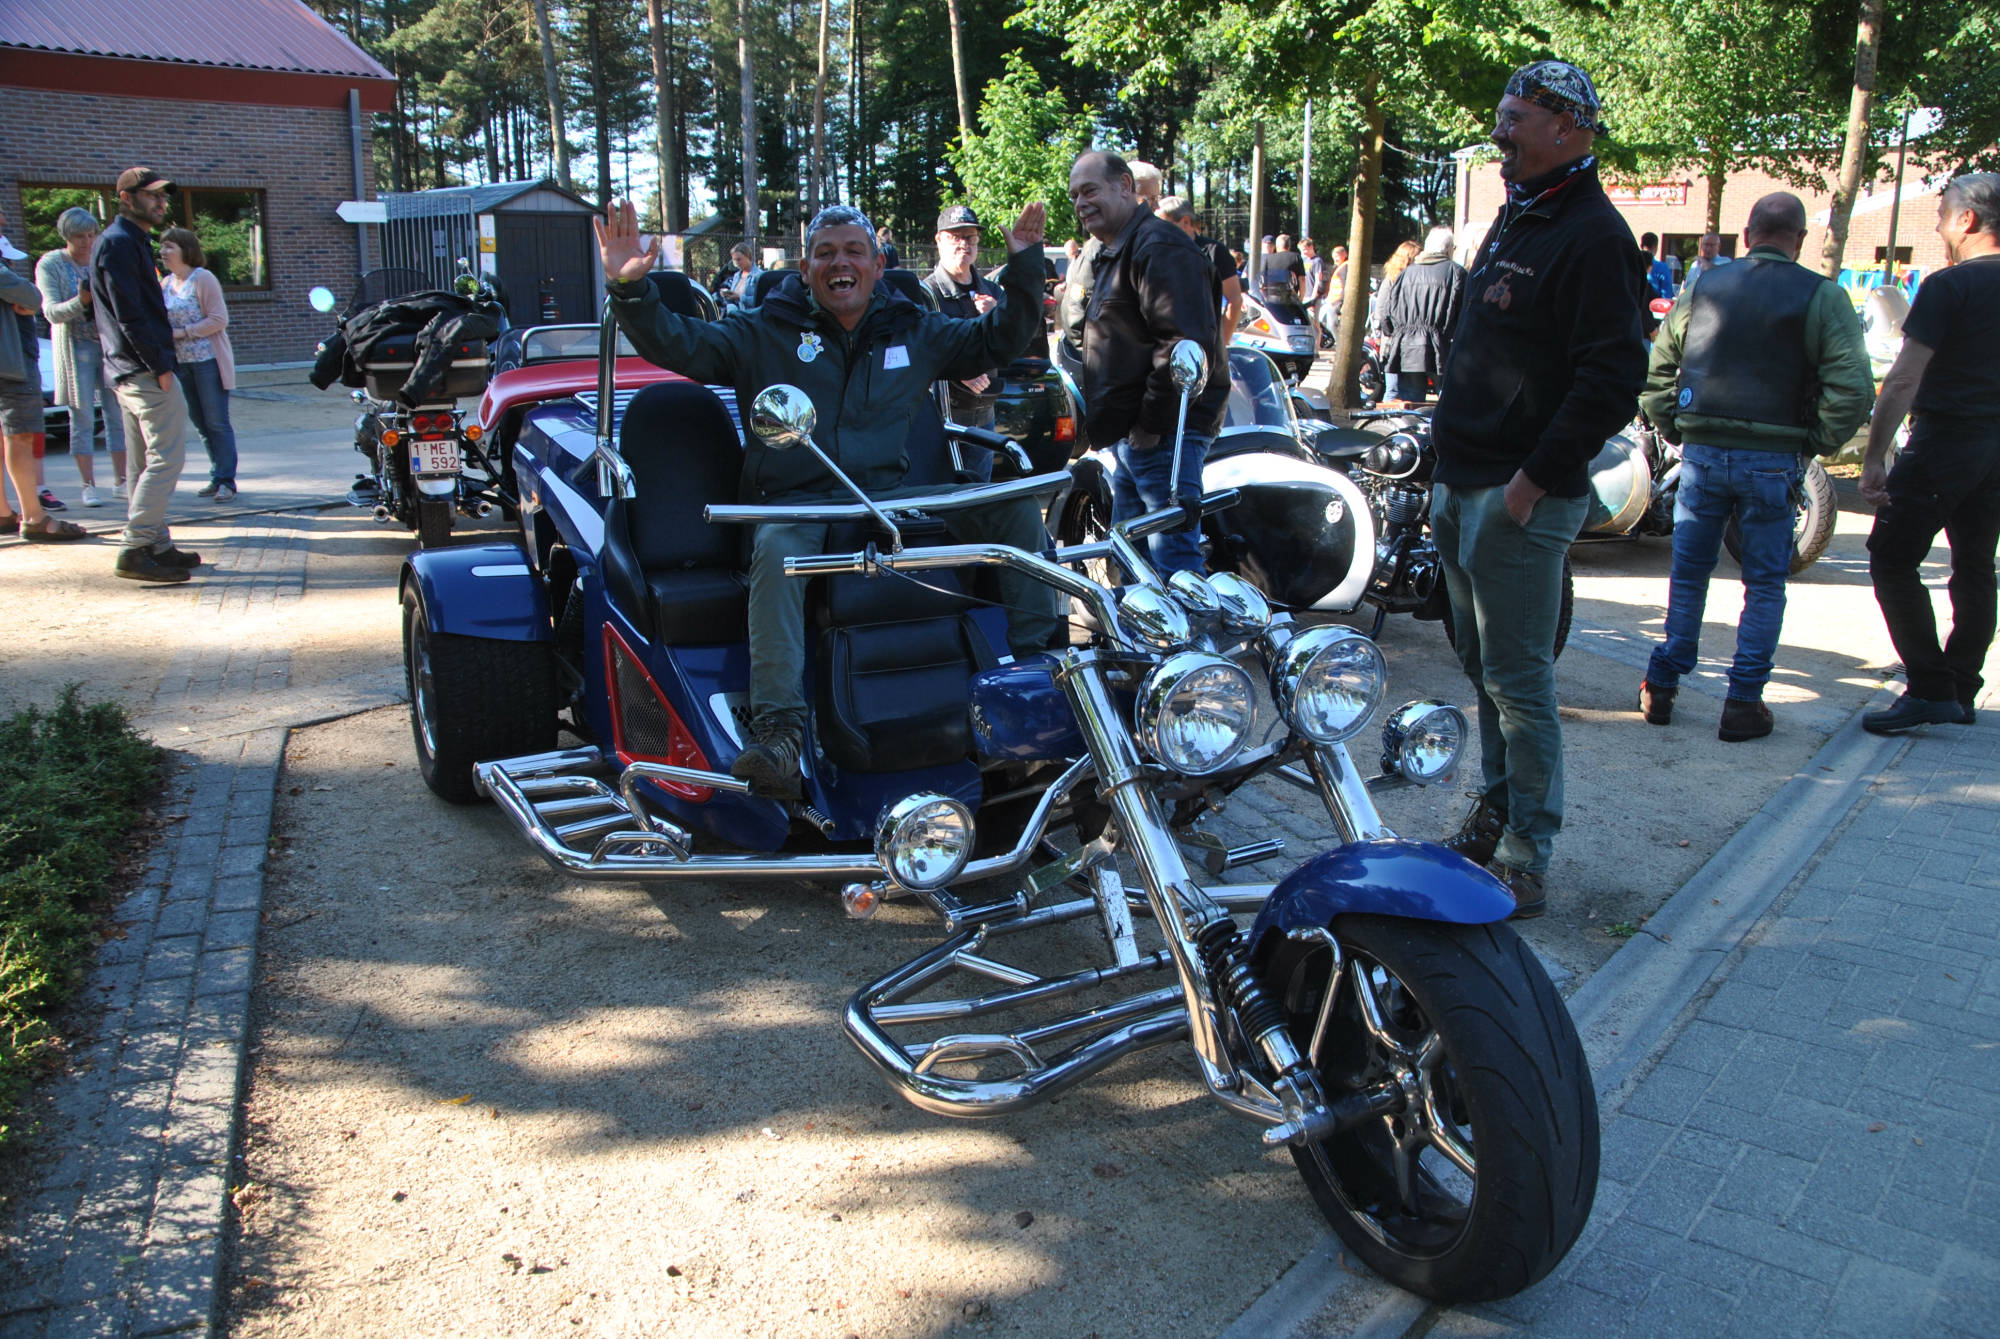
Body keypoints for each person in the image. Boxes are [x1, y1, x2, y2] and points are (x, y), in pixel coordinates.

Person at [594, 197, 1058, 796]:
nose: (841, 263)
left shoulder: (913, 327)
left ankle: (1040, 682)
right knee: (778, 548)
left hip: (890, 498)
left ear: (877, 264)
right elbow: (680, 343)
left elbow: (999, 337)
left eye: (854, 252)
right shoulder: (763, 330)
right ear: (805, 268)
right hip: (798, 502)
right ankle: (780, 735)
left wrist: (1025, 263)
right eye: (826, 253)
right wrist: (630, 289)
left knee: (1012, 504)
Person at [1427, 60, 1646, 917]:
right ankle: (1497, 815)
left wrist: (1531, 482)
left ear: (1568, 128)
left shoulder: (1594, 235)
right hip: (1463, 482)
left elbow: (1612, 380)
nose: (1499, 133)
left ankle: (1525, 855)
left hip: (1516, 494)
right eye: (1501, 115)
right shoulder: (1519, 214)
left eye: (1515, 118)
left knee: (1518, 682)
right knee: (1485, 671)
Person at [1638, 192, 1872, 741]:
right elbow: (1853, 389)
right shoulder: (1822, 296)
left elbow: (1659, 369)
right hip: (1774, 457)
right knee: (1764, 583)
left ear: (1746, 236)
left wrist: (1677, 428)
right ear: (1801, 240)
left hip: (1703, 452)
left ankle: (1663, 682)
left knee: (1689, 572)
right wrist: (1812, 442)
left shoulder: (1705, 287)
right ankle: (1743, 701)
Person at [1859, 173, 2000, 733]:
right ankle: (1960, 687)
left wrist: (1874, 456)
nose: (1940, 227)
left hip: (1948, 439)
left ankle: (1930, 688)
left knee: (1891, 558)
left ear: (1968, 220)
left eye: (1943, 216)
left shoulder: (1950, 286)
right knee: (1975, 563)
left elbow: (1903, 377)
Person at [1068, 149, 1228, 576]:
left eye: (1090, 190)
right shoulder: (1119, 248)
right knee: (1133, 560)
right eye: (1074, 195)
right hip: (1139, 435)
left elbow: (1183, 346)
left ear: (1125, 186)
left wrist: (1150, 426)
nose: (1081, 203)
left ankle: (1186, 625)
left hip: (1165, 434)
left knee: (1173, 565)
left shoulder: (1159, 246)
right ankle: (1140, 623)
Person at [93, 166, 200, 583]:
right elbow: (130, 316)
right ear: (126, 197)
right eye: (151, 194)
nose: (160, 201)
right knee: (167, 458)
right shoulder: (118, 243)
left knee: (143, 463)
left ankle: (154, 543)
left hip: (129, 368)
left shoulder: (129, 241)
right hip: (141, 369)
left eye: (163, 195)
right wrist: (159, 366)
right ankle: (136, 546)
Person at [0, 208, 83, 542]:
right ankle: (34, 518)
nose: (5, 220)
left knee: (5, 437)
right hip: (11, 366)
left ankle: (4, 513)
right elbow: (32, 297)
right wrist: (25, 297)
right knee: (20, 437)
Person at [37, 207, 127, 507]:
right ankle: (88, 486)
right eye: (80, 236)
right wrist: (81, 301)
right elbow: (51, 312)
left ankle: (122, 481)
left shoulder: (102, 256)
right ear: (66, 236)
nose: (87, 242)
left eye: (91, 235)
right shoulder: (51, 263)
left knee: (117, 414)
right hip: (76, 346)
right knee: (83, 417)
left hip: (108, 344)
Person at [922, 204, 1006, 473]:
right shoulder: (926, 293)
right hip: (940, 418)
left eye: (970, 237)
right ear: (939, 240)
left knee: (980, 493)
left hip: (984, 415)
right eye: (955, 237)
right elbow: (916, 353)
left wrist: (996, 317)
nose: (963, 244)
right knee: (942, 491)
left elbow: (1009, 347)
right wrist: (957, 370)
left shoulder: (993, 292)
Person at [159, 227, 239, 502]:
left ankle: (227, 481)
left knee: (216, 422)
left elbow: (219, 319)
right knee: (201, 423)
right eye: (162, 247)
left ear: (185, 250)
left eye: (169, 246)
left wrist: (183, 333)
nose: (163, 252)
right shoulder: (166, 283)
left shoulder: (203, 279)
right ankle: (216, 476)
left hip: (208, 361)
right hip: (182, 364)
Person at [1376, 227, 1465, 404]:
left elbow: (1386, 312)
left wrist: (1396, 334)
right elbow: (1464, 313)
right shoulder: (1456, 272)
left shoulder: (1405, 273)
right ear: (1448, 248)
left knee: (1411, 402)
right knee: (1450, 402)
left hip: (1408, 347)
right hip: (1441, 346)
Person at [1156, 195, 1244, 360]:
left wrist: (1220, 345)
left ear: (1185, 221)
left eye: (1163, 224)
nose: (1158, 230)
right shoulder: (1159, 253)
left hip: (1203, 350)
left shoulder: (1214, 251)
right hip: (1165, 349)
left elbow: (1235, 300)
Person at [715, 242, 762, 310]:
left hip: (751, 313)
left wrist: (740, 297)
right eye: (734, 260)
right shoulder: (736, 276)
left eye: (739, 259)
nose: (737, 263)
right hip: (737, 313)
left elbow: (760, 301)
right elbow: (732, 299)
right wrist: (727, 295)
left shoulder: (759, 275)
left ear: (748, 257)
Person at [1264, 232, 1307, 302]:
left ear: (1276, 246)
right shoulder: (1296, 257)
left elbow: (1263, 281)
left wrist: (1266, 298)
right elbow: (1302, 280)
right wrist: (1301, 298)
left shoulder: (1268, 259)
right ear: (1289, 246)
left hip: (1273, 298)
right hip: (1290, 298)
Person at [1638, 231, 1676, 299]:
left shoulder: (1631, 264)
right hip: (1654, 304)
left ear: (1641, 246)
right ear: (1655, 247)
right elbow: (1666, 295)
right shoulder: (1662, 268)